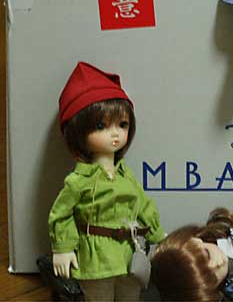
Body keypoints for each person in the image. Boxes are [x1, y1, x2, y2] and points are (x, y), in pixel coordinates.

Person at [48, 62, 165, 301]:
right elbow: (61, 214)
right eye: (101, 126)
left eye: (122, 125)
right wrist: (63, 247)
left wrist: (159, 237)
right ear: (78, 131)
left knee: (130, 295)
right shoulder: (79, 181)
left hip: (128, 253)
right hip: (97, 258)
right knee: (99, 297)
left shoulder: (125, 175)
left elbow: (143, 204)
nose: (115, 134)